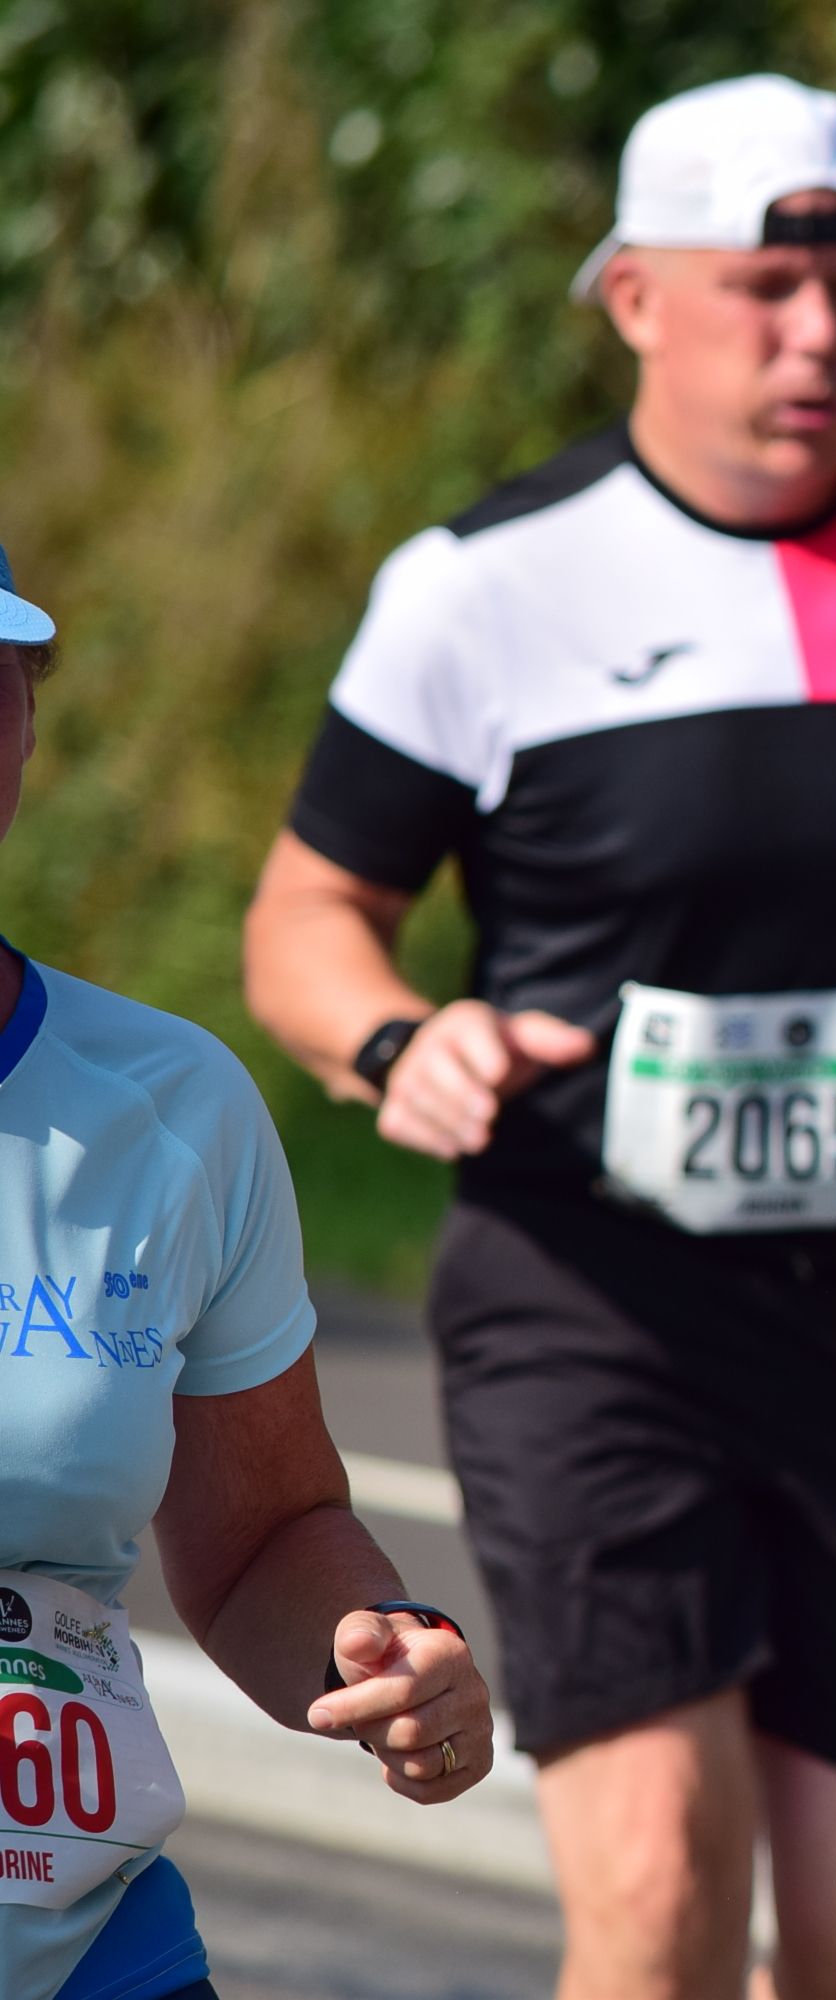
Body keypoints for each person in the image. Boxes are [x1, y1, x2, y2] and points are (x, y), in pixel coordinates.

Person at [239, 76, 836, 2000]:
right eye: (762, 290)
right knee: (662, 1903)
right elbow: (304, 917)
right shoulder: (481, 587)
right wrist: (396, 1040)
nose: (817, 337)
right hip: (591, 1299)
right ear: (631, 296)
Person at [1, 543, 494, 2000]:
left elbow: (263, 1537)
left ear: (25, 722)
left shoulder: (173, 1107)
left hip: (87, 1954)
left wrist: (381, 1651)